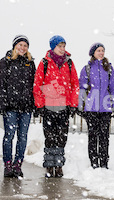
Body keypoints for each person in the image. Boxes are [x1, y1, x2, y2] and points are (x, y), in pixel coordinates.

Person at [33, 35, 79, 178]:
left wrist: (73, 104)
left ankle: (58, 165)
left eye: (64, 46)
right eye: (59, 46)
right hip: (48, 107)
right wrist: (39, 104)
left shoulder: (69, 63)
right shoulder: (45, 63)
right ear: (53, 47)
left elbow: (74, 85)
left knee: (61, 137)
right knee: (50, 137)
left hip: (63, 107)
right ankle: (49, 165)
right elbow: (38, 84)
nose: (62, 49)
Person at [78, 43, 114, 169]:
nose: (101, 53)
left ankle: (104, 162)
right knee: (93, 136)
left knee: (104, 137)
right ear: (93, 53)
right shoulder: (87, 69)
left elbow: (113, 88)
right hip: (91, 108)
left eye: (103, 50)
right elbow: (82, 89)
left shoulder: (109, 69)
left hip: (105, 108)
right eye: (98, 50)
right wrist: (80, 106)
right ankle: (94, 161)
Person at [0, 35, 36, 177]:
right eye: (20, 45)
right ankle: (8, 164)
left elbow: (34, 85)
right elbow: (1, 84)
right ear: (14, 46)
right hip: (10, 107)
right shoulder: (5, 62)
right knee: (9, 136)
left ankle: (18, 164)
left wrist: (34, 104)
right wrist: (2, 103)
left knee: (23, 137)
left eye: (25, 45)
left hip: (26, 107)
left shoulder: (30, 63)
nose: (22, 48)